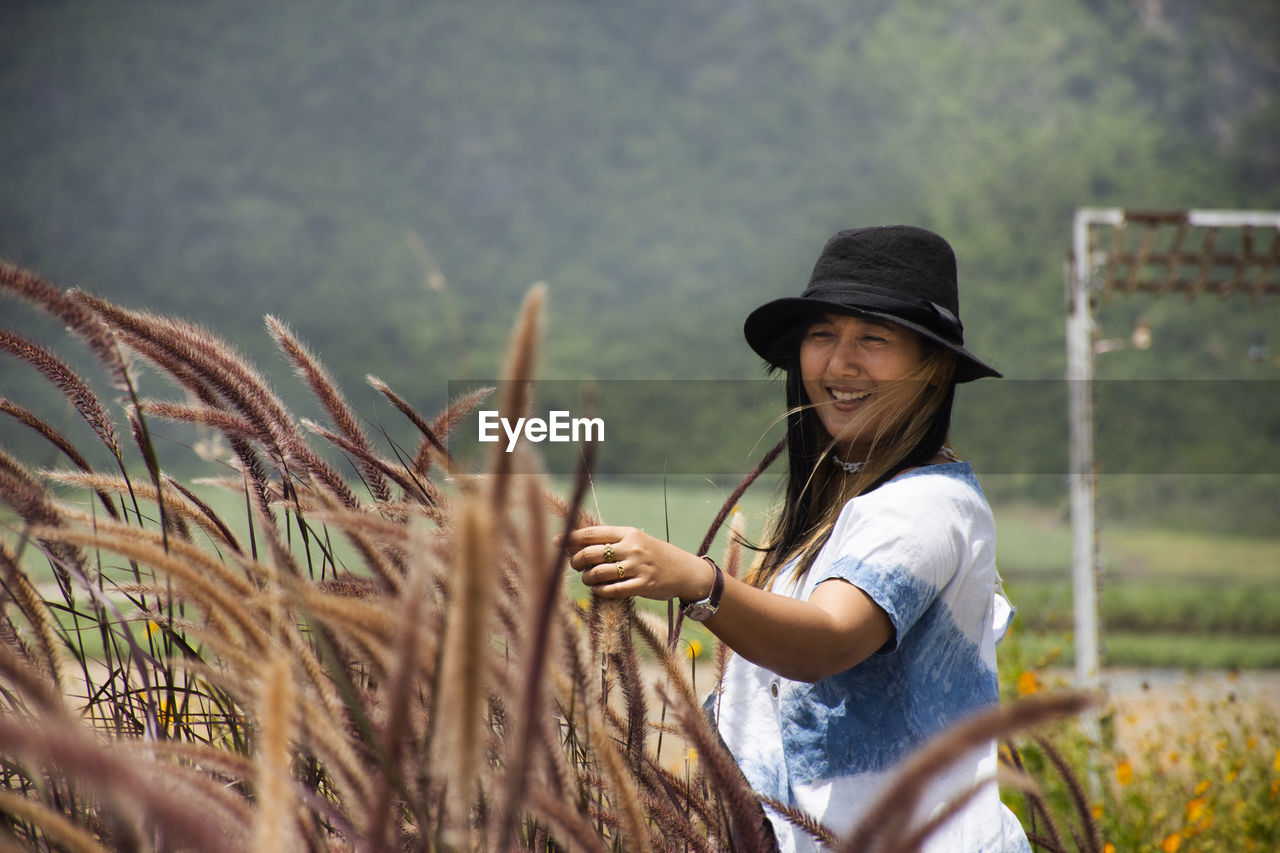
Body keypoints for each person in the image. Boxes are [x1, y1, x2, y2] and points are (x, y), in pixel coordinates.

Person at [562, 225, 1027, 852]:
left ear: (933, 367)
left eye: (874, 338)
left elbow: (827, 640)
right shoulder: (848, 502)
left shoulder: (925, 507)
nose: (840, 363)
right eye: (822, 335)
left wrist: (700, 582)